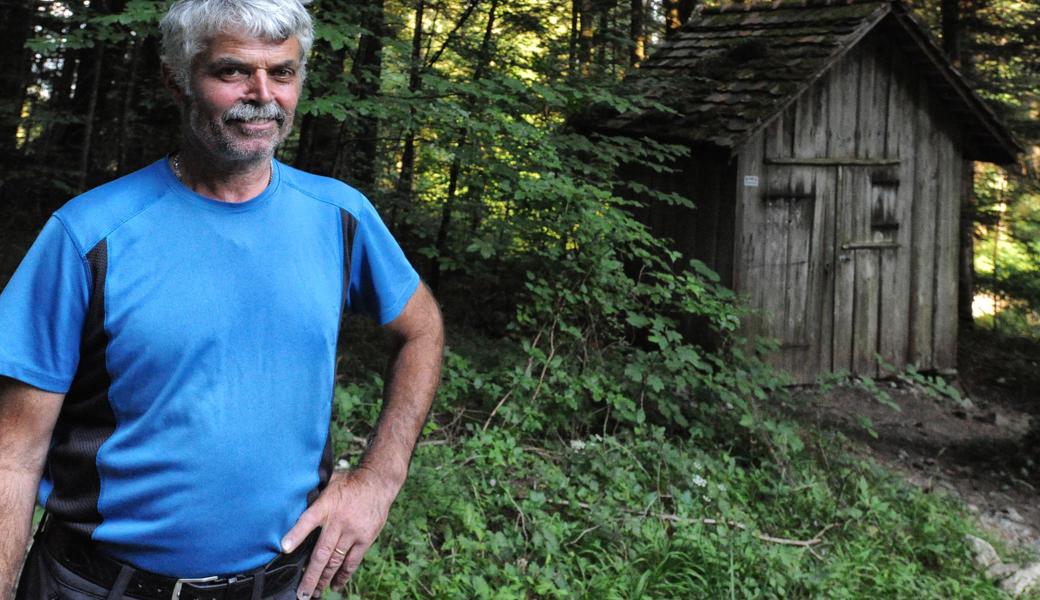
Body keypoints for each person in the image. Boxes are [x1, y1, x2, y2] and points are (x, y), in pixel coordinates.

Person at [0, 0, 444, 598]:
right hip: (97, 585)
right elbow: (14, 455)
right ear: (178, 80)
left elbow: (422, 329)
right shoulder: (89, 235)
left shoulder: (340, 217)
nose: (261, 94)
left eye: (282, 73)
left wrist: (379, 479)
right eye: (232, 70)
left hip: (279, 585)